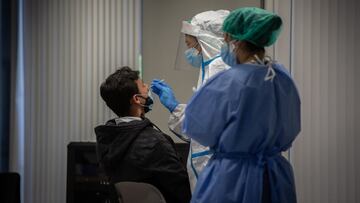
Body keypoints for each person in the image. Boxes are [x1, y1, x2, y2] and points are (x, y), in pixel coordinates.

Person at [182, 7, 301, 203]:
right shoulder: (282, 79)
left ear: (232, 39)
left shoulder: (227, 82)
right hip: (275, 177)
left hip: (232, 177)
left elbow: (197, 128)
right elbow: (292, 126)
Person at [151, 10, 230, 192]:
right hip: (211, 166)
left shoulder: (218, 70)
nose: (189, 52)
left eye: (191, 45)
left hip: (215, 168)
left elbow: (205, 126)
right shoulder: (211, 69)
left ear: (206, 42)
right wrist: (177, 108)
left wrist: (175, 107)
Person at [94, 67, 191, 203]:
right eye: (143, 85)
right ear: (137, 99)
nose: (147, 87)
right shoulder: (156, 142)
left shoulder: (106, 139)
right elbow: (183, 192)